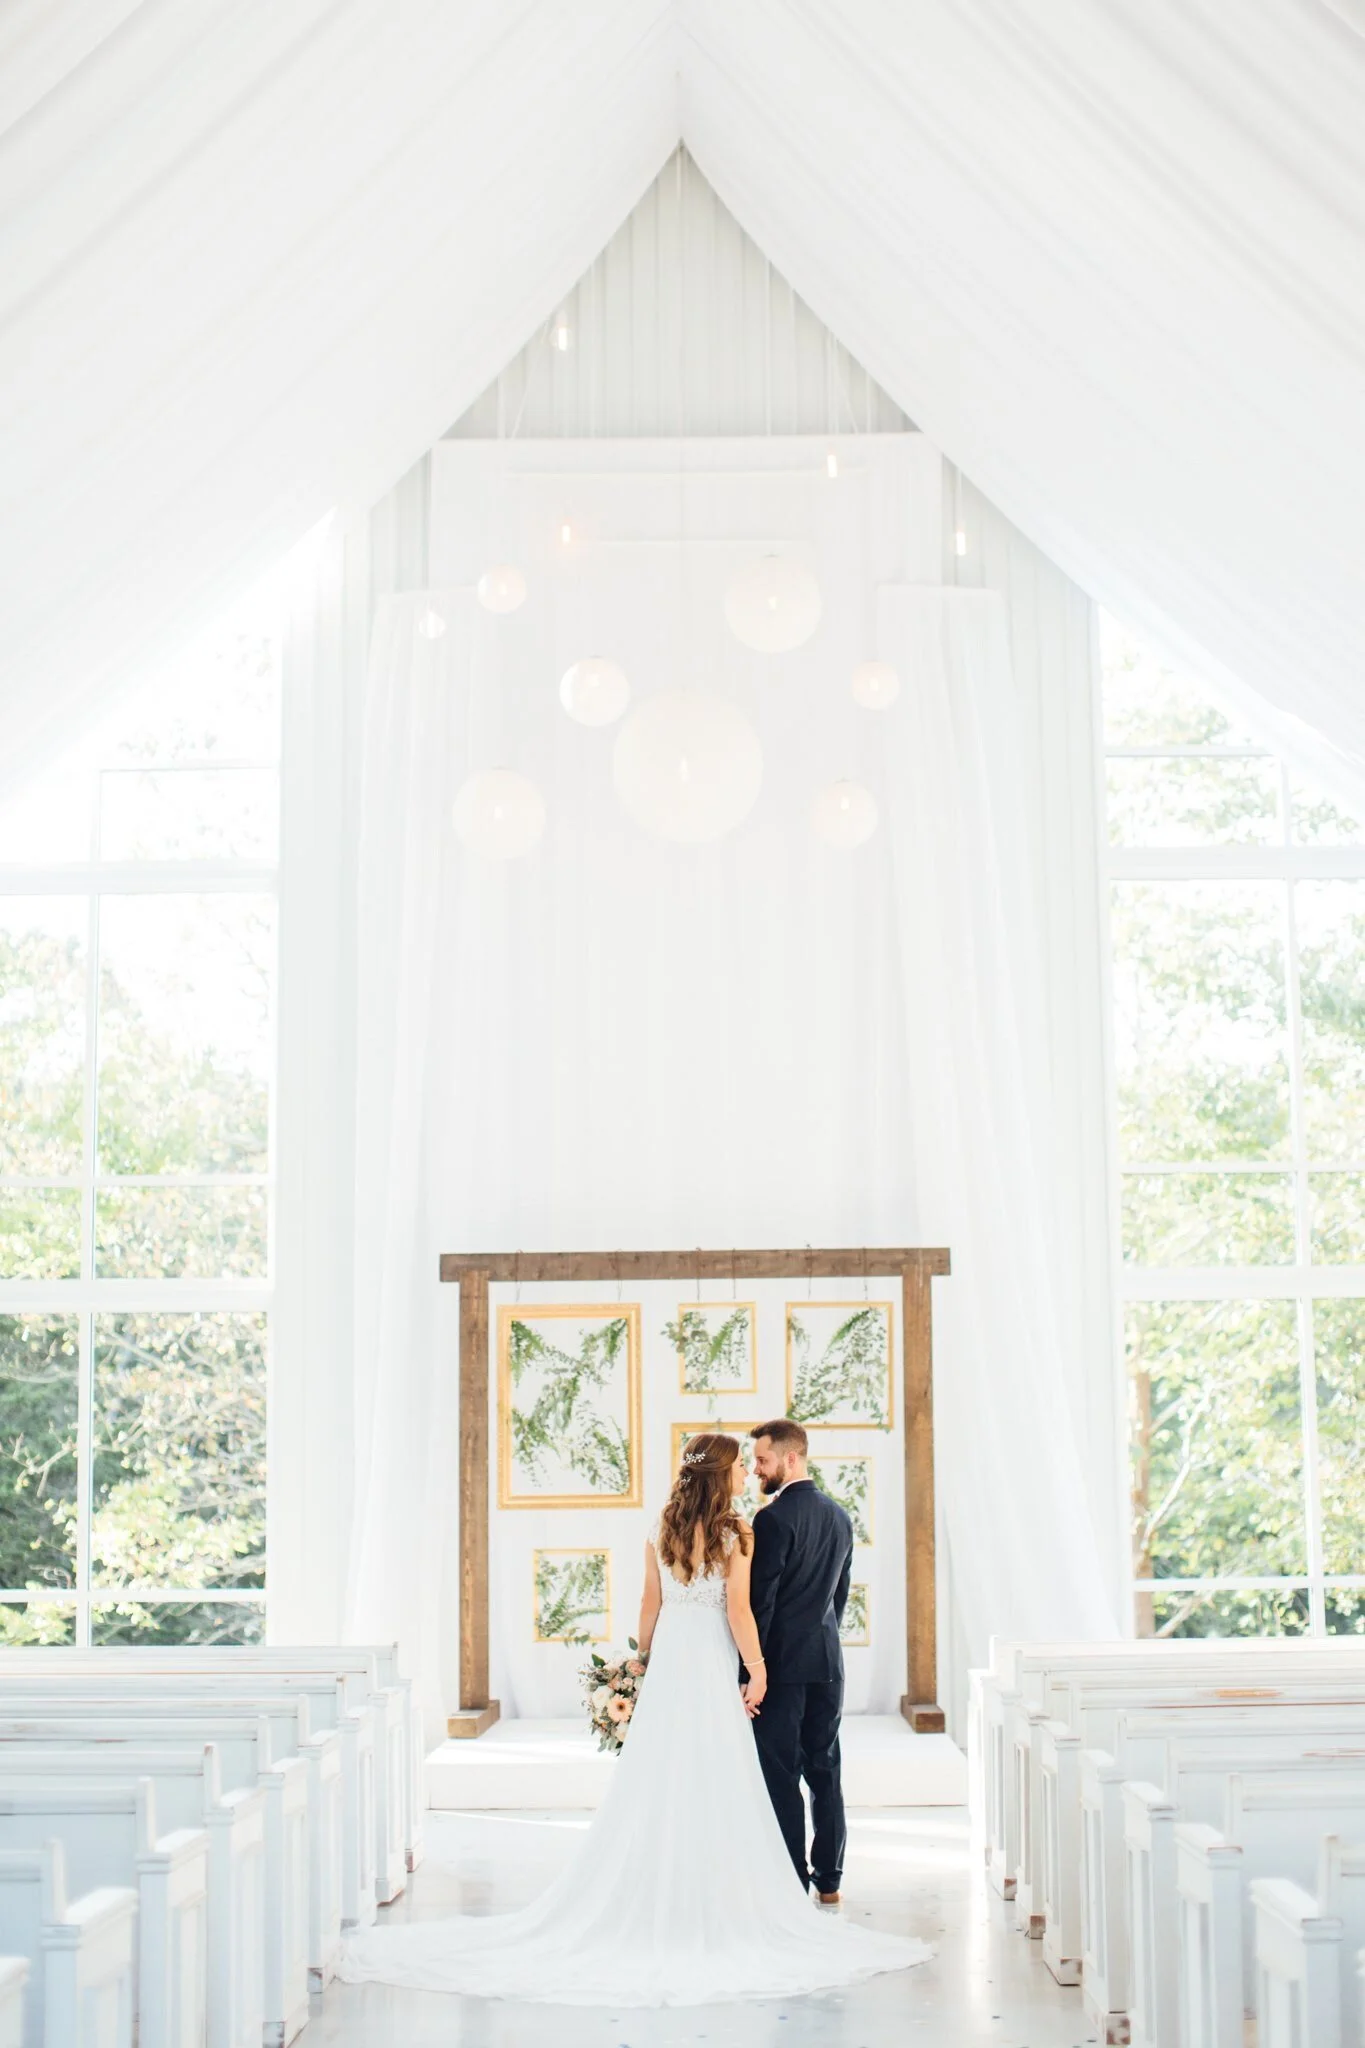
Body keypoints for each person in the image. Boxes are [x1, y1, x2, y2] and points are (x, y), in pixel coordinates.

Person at [335, 1431, 930, 2006]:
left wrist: (642, 1660)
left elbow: (650, 1604)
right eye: (738, 1466)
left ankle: (657, 1881)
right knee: (727, 1769)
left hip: (673, 1655)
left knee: (659, 1768)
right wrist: (756, 1667)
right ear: (724, 1476)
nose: (746, 1472)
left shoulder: (661, 1527)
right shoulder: (737, 1533)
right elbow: (741, 1610)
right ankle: (757, 1886)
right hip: (717, 1656)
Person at [747, 1417, 852, 1903]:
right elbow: (839, 1597)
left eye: (762, 1460)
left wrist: (753, 1670)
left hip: (782, 1668)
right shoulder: (840, 1516)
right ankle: (830, 1881)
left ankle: (792, 1878)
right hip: (827, 1661)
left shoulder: (771, 1519)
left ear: (792, 1458)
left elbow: (760, 1602)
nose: (756, 1470)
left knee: (781, 1772)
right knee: (825, 1766)